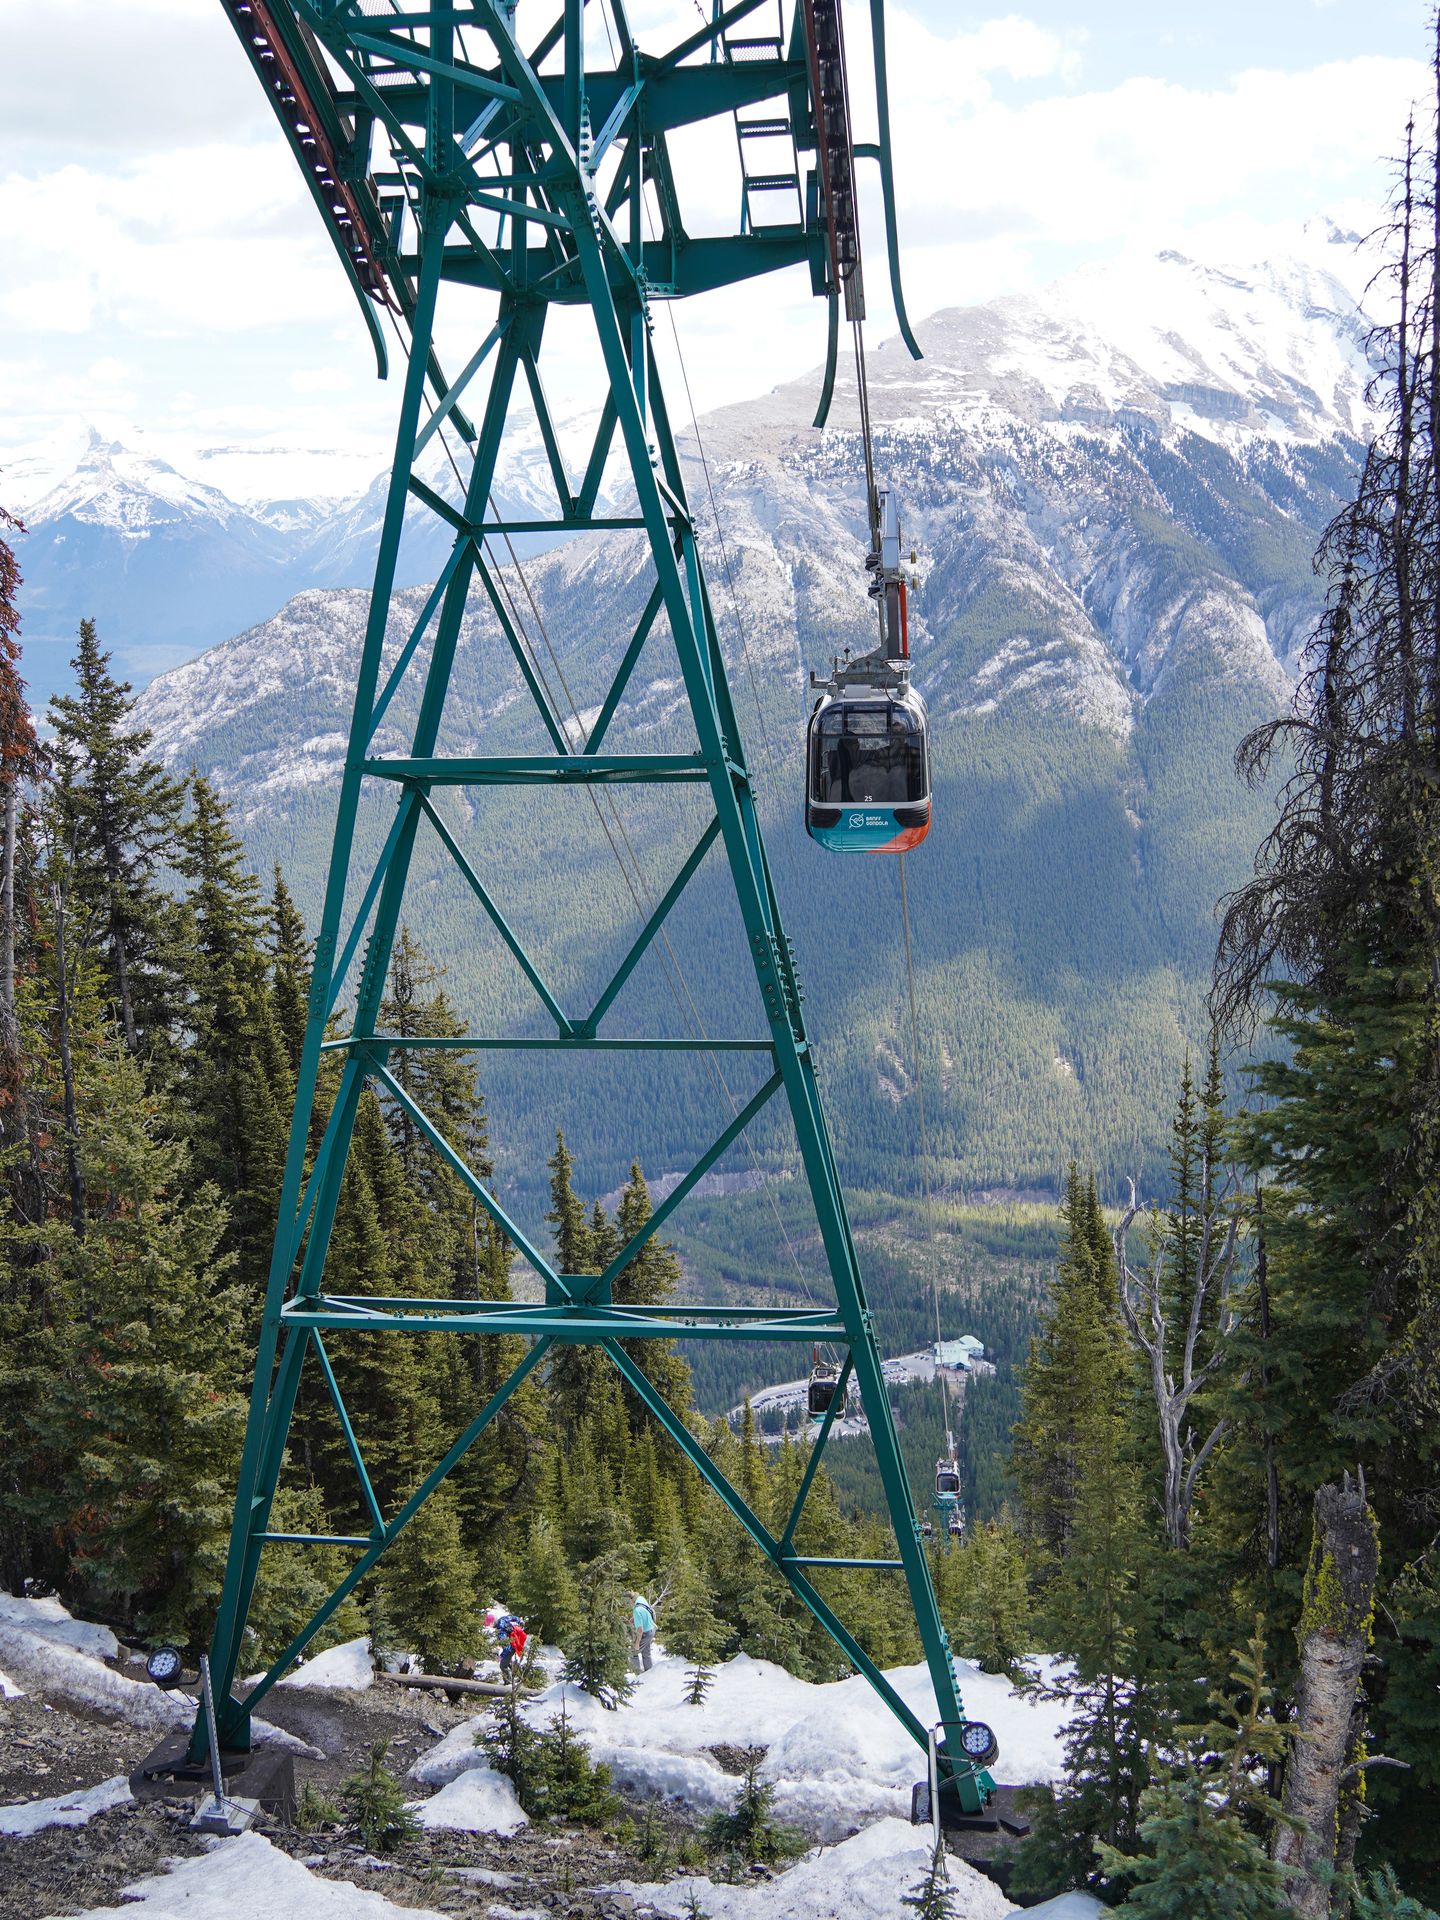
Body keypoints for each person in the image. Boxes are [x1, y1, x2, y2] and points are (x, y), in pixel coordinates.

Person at [631, 1593, 656, 1673]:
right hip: (652, 1628)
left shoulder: (636, 1610)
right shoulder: (641, 1599)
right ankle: (649, 1673)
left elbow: (640, 1629)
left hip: (646, 1632)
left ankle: (637, 1675)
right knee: (646, 1652)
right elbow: (646, 1611)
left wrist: (637, 1643)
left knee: (633, 1653)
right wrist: (634, 1618)